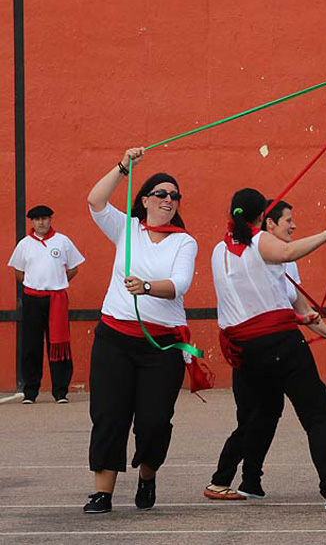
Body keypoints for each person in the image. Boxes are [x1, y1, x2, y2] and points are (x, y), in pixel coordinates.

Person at [204, 199, 326, 502]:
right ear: (266, 223)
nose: (293, 225)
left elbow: (282, 306)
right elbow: (282, 263)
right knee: (314, 413)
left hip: (250, 347)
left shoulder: (224, 250)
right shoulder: (255, 247)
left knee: (265, 413)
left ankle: (243, 481)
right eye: (287, 220)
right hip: (275, 344)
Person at [84, 147, 198, 514]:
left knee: (153, 421)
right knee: (109, 414)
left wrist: (146, 287)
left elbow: (179, 284)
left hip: (160, 346)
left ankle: (147, 477)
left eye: (174, 196)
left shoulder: (185, 241)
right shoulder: (127, 228)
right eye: (161, 193)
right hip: (114, 339)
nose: (169, 199)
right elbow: (95, 200)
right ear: (145, 198)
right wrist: (123, 166)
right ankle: (103, 493)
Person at [8, 205, 84, 404]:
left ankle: (60, 391)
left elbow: (74, 268)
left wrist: (57, 282)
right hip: (33, 299)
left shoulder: (62, 241)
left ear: (50, 219)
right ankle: (30, 392)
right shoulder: (25, 244)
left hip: (56, 299)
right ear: (32, 222)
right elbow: (18, 272)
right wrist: (35, 285)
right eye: (36, 219)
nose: (40, 222)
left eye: (44, 218)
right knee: (31, 346)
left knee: (58, 345)